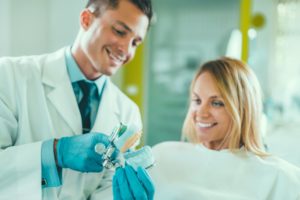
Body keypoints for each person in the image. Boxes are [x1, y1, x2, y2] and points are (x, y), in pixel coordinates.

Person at [0, 0, 154, 199]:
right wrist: (55, 152)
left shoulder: (128, 111)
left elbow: (106, 189)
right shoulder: (9, 76)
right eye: (119, 31)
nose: (126, 50)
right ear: (86, 19)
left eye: (135, 42)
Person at [149, 57, 300, 199]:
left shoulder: (280, 177)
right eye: (197, 100)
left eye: (216, 103)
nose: (201, 113)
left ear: (243, 109)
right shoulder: (161, 156)